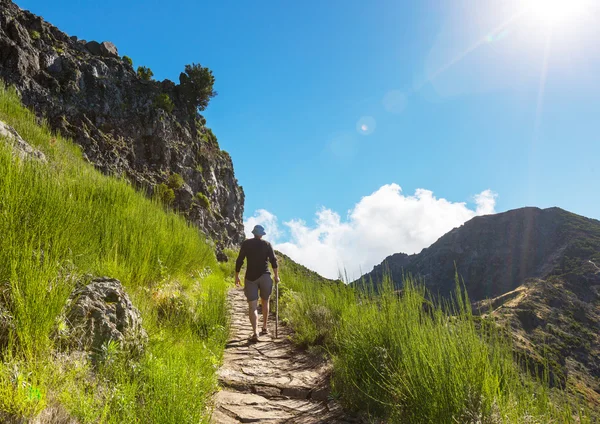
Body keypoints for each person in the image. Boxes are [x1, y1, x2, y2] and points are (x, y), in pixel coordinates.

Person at [235, 224, 280, 342]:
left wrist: (237, 276)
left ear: (253, 233)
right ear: (261, 234)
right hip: (265, 276)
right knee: (265, 302)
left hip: (250, 278)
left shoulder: (246, 244)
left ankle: (255, 332)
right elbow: (274, 261)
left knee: (252, 305)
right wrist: (276, 276)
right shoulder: (267, 245)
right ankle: (264, 327)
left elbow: (240, 260)